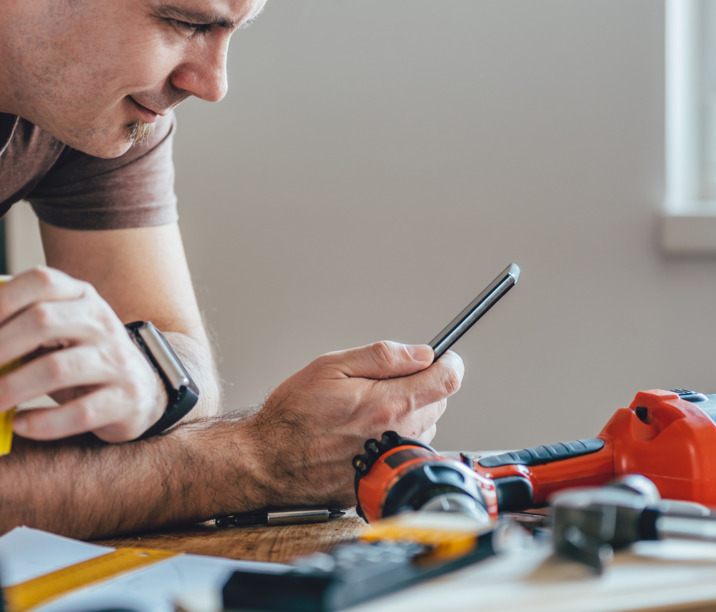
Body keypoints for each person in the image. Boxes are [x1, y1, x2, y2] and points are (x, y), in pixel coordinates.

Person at [0, 0, 464, 539]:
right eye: (185, 22)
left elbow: (181, 357)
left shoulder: (96, 114)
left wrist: (148, 375)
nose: (212, 84)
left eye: (234, 31)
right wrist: (261, 459)